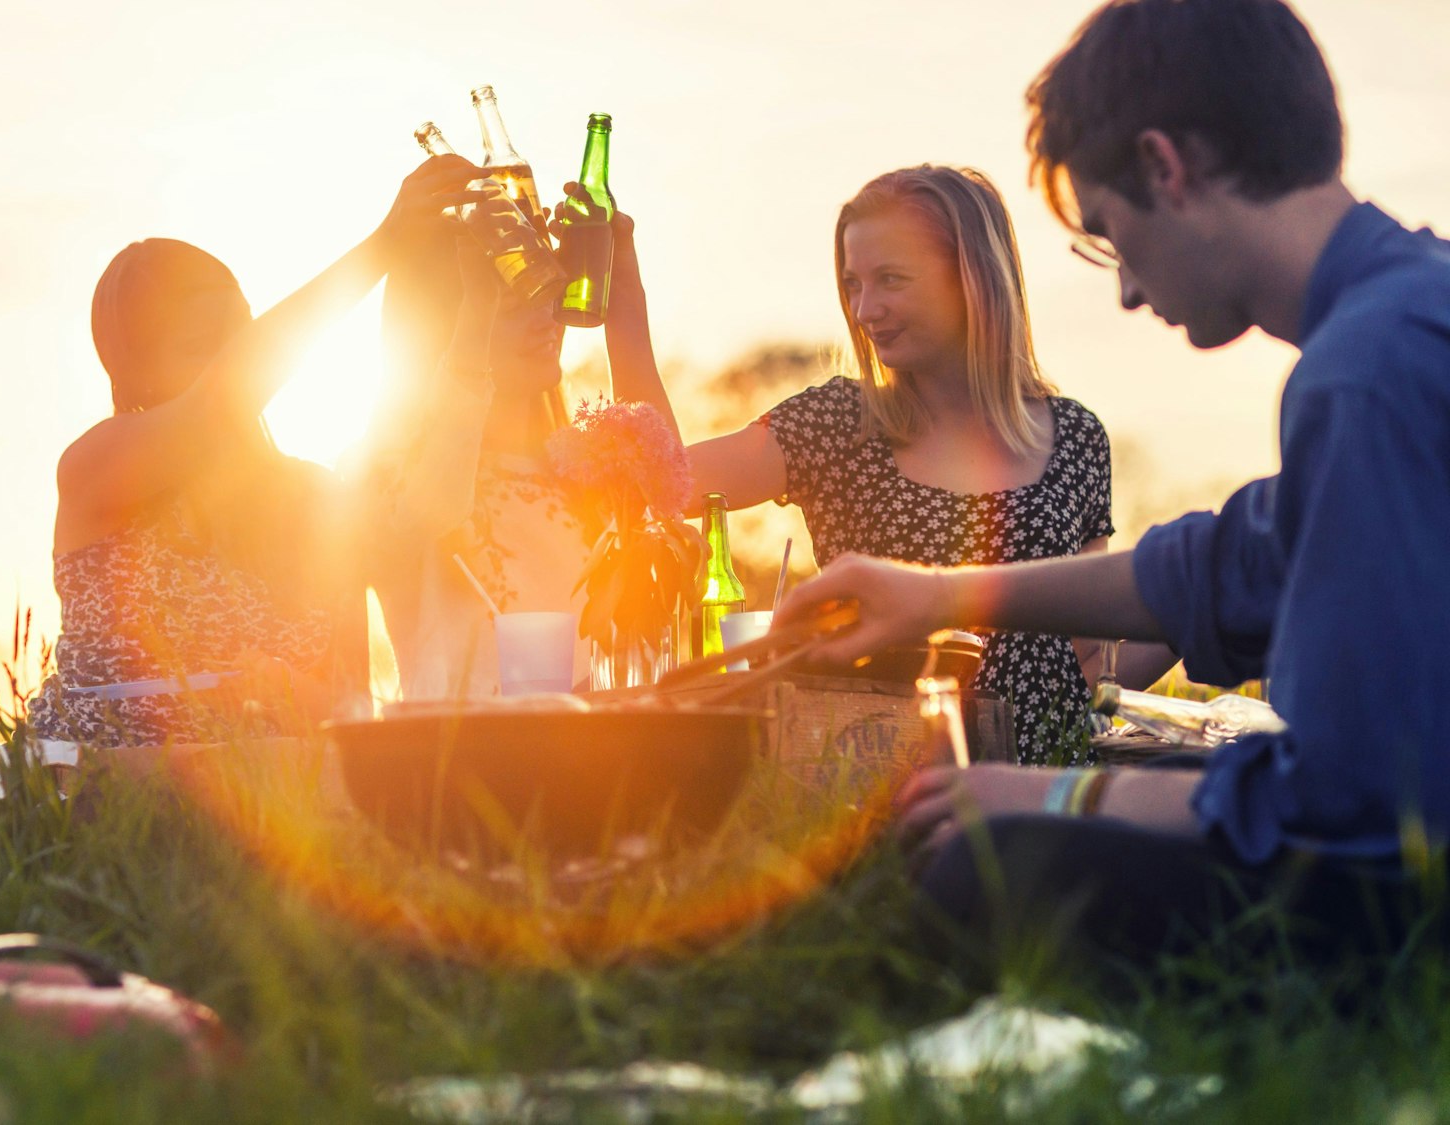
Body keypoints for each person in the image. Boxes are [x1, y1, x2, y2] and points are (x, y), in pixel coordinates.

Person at [778, 0, 1450, 962]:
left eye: (1109, 234)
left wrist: (1064, 790)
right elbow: (1227, 565)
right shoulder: (1411, 307)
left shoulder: (1366, 373)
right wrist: (936, 595)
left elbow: (1352, 798)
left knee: (984, 863)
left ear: (1166, 167)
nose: (1128, 291)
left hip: (1410, 925)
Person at [600, 166, 1158, 763]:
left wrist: (1196, 621)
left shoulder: (1076, 437)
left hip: (1043, 796)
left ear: (972, 278)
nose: (865, 308)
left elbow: (1087, 661)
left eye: (890, 279)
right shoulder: (839, 423)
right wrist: (622, 297)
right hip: (880, 795)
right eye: (853, 284)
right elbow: (661, 482)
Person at [22, 156, 482, 750]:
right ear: (136, 371)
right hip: (104, 803)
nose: (236, 357)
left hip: (275, 804)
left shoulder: (316, 500)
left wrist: (286, 688)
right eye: (201, 348)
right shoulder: (94, 468)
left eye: (243, 330)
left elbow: (352, 710)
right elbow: (222, 399)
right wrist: (384, 245)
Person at [355, 218, 592, 700]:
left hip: (597, 759)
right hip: (456, 764)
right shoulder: (390, 476)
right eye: (510, 304)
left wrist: (625, 292)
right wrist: (475, 318)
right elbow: (436, 507)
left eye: (547, 291)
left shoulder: (584, 472)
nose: (546, 318)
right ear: (451, 327)